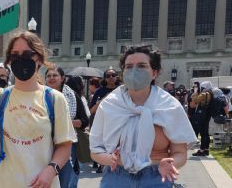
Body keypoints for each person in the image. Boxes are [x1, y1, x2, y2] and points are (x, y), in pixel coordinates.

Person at [0, 32, 76, 188]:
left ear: (38, 59)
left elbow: (65, 145)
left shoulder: (54, 99)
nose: (21, 59)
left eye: (27, 54)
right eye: (15, 56)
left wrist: (51, 169)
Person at [90, 45, 197, 187]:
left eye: (141, 66)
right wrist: (109, 159)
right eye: (129, 66)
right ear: (123, 72)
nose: (134, 71)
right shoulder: (109, 105)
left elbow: (180, 153)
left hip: (157, 177)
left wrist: (170, 163)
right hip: (116, 177)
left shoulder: (169, 106)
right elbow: (95, 151)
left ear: (154, 73)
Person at [45, 67, 89, 188]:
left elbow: (84, 121)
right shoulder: (39, 96)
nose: (51, 78)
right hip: (43, 143)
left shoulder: (72, 96)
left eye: (55, 75)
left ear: (62, 78)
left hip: (67, 143)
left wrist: (65, 122)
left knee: (66, 180)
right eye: (49, 76)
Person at [88, 68, 119, 173]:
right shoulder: (99, 92)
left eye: (113, 75)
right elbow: (91, 111)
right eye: (108, 76)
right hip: (104, 123)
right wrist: (103, 100)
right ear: (104, 78)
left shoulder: (122, 90)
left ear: (117, 76)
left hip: (119, 123)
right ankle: (104, 165)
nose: (111, 77)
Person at [192, 81, 229, 156]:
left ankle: (202, 150)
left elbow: (195, 100)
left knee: (203, 133)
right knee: (206, 133)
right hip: (208, 114)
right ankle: (206, 149)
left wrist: (195, 92)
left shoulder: (204, 94)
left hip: (203, 114)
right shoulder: (212, 93)